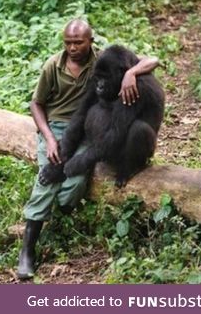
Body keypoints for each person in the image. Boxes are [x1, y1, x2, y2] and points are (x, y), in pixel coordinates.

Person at [17, 19, 159, 280]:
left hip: (131, 145)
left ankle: (130, 169)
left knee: (134, 133)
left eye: (78, 42)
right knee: (49, 179)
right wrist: (57, 152)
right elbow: (80, 116)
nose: (101, 85)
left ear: (90, 42)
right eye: (68, 42)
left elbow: (116, 136)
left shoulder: (131, 84)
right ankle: (27, 250)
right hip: (63, 130)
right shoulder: (83, 68)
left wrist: (71, 166)